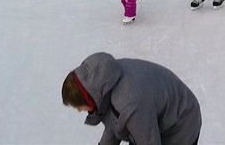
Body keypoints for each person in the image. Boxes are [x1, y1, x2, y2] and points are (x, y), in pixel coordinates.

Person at [62, 52, 201, 144]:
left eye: (78, 106)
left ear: (87, 98)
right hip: (153, 118)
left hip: (181, 123)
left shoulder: (129, 102)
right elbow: (114, 123)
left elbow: (148, 141)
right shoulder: (104, 81)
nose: (79, 110)